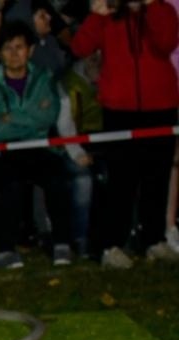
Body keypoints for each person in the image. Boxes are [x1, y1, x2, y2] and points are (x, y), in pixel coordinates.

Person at [71, 0, 179, 265]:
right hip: (119, 109)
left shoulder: (163, 10)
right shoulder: (108, 16)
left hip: (161, 106)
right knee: (120, 180)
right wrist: (96, 16)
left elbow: (166, 43)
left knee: (158, 177)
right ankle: (111, 244)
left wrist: (151, 5)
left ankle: (153, 239)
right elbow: (80, 47)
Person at [0, 21, 80, 268]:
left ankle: (62, 244)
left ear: (30, 50)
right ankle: (5, 249)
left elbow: (48, 115)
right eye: (7, 48)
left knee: (58, 176)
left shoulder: (45, 79)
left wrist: (11, 116)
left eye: (19, 47)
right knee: (8, 183)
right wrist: (31, 115)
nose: (14, 53)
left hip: (38, 149)